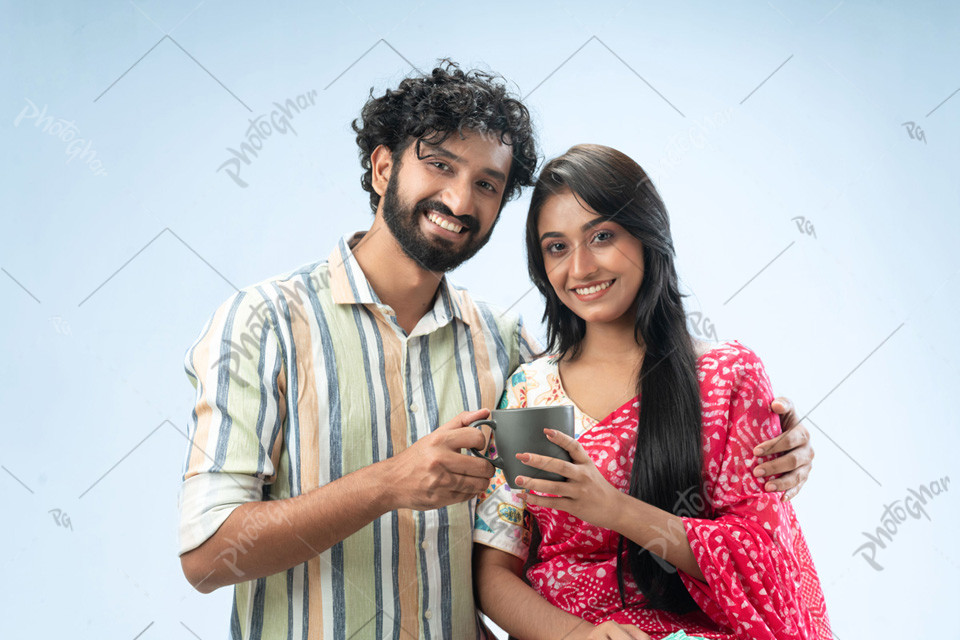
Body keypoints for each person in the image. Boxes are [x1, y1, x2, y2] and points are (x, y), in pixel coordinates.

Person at [177, 62, 815, 640]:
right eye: (440, 165)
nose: (459, 201)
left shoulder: (504, 350)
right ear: (381, 167)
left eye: (487, 183)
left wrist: (774, 432)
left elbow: (618, 427)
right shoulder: (265, 324)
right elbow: (207, 558)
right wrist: (388, 484)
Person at [474, 145, 831, 640]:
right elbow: (494, 573)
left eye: (601, 236)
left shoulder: (726, 377)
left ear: (646, 235)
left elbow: (762, 566)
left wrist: (616, 510)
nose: (579, 268)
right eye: (557, 247)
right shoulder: (531, 394)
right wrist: (579, 637)